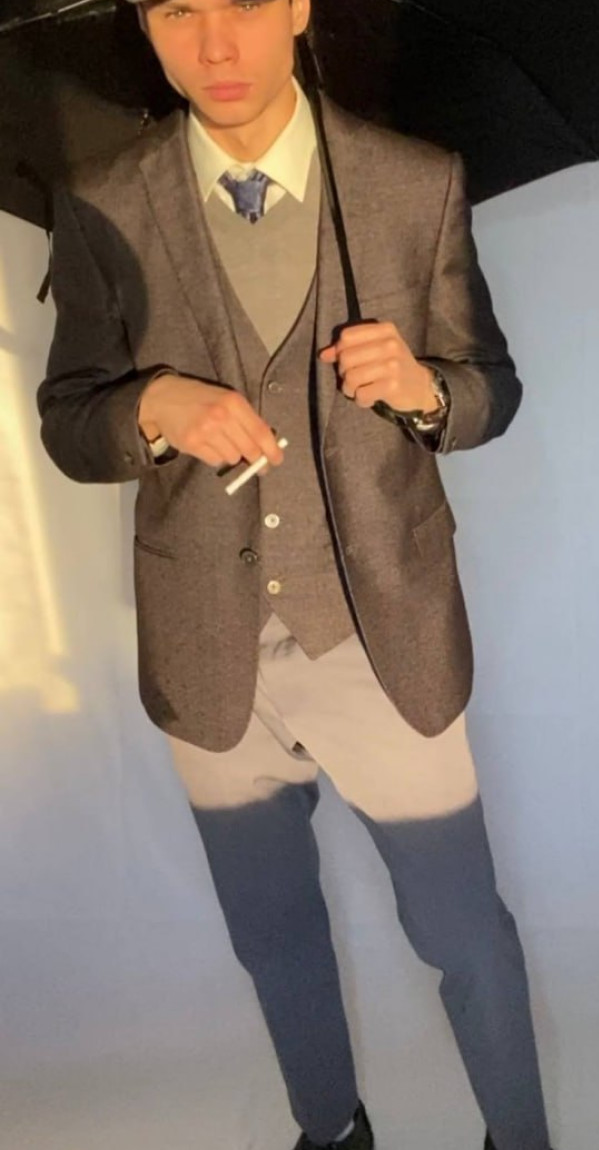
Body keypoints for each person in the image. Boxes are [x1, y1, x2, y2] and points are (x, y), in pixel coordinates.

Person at [37, 1, 554, 1148]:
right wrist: (151, 407)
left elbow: (490, 387)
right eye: (179, 10)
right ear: (144, 23)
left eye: (244, 4)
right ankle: (330, 1130)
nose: (216, 46)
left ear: (298, 8)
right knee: (271, 933)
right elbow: (70, 421)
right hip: (208, 646)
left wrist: (422, 389)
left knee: (461, 929)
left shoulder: (412, 182)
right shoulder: (103, 200)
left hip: (384, 640)